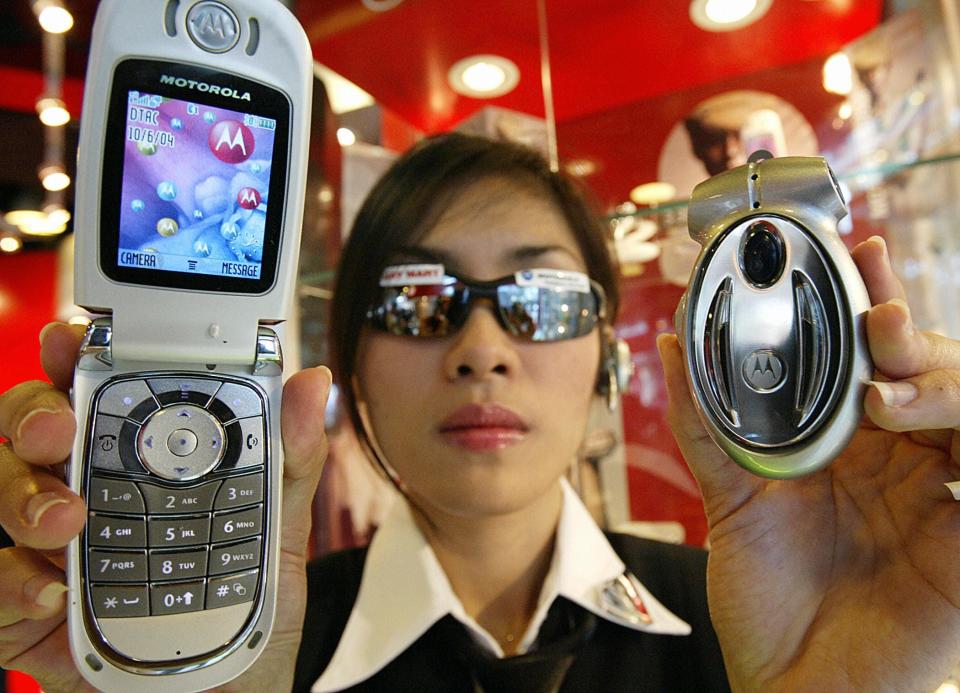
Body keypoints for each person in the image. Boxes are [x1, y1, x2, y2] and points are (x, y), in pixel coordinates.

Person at [0, 133, 958, 692]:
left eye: (542, 299)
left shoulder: (759, 622)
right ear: (353, 368)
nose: (483, 347)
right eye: (418, 297)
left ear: (603, 362)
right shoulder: (238, 648)